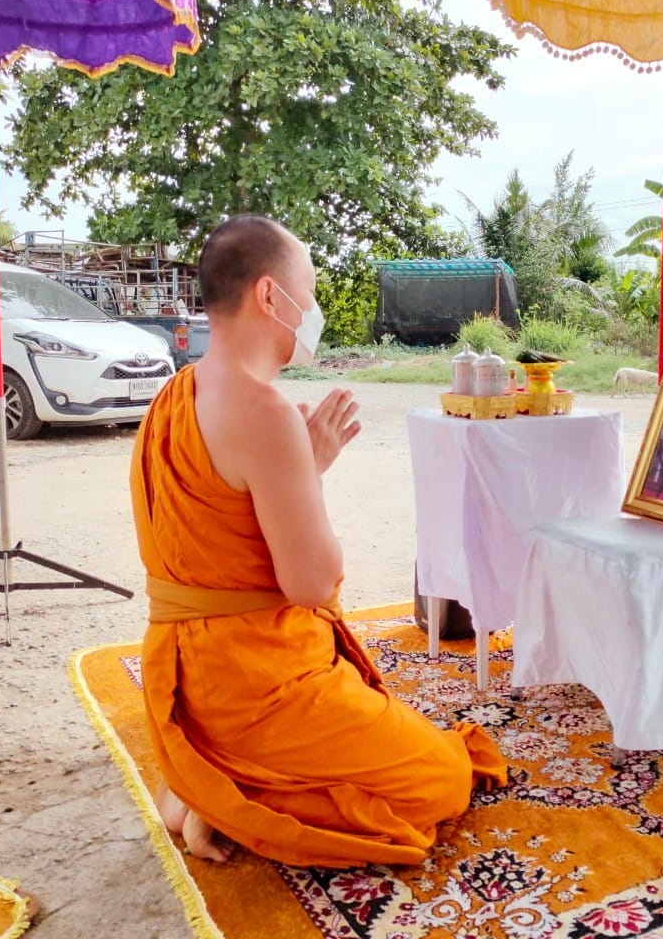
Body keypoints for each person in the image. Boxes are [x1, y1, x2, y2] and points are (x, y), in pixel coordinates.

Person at [130, 214, 507, 868]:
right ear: (270, 296)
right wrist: (309, 471)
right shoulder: (266, 411)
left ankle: (209, 776)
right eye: (310, 291)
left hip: (192, 681)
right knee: (443, 780)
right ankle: (226, 797)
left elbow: (236, 534)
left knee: (398, 733)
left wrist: (305, 469)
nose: (317, 309)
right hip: (257, 688)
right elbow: (309, 583)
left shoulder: (173, 395)